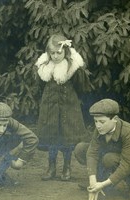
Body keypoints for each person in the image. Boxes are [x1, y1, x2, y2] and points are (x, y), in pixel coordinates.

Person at [34, 34, 91, 181]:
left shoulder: (73, 68)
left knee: (67, 138)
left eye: (59, 52)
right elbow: (40, 86)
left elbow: (81, 87)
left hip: (68, 107)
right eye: (52, 53)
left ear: (65, 51)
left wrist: (71, 100)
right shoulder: (44, 67)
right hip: (50, 107)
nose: (55, 56)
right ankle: (51, 167)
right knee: (52, 137)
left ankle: (67, 167)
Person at [74, 98, 130, 200]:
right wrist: (93, 183)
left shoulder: (129, 132)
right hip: (112, 157)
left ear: (115, 119)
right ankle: (99, 179)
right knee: (81, 148)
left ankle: (129, 184)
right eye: (96, 121)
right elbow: (92, 153)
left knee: (109, 158)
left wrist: (103, 184)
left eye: (102, 122)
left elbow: (127, 164)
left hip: (129, 163)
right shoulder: (100, 128)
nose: (98, 125)